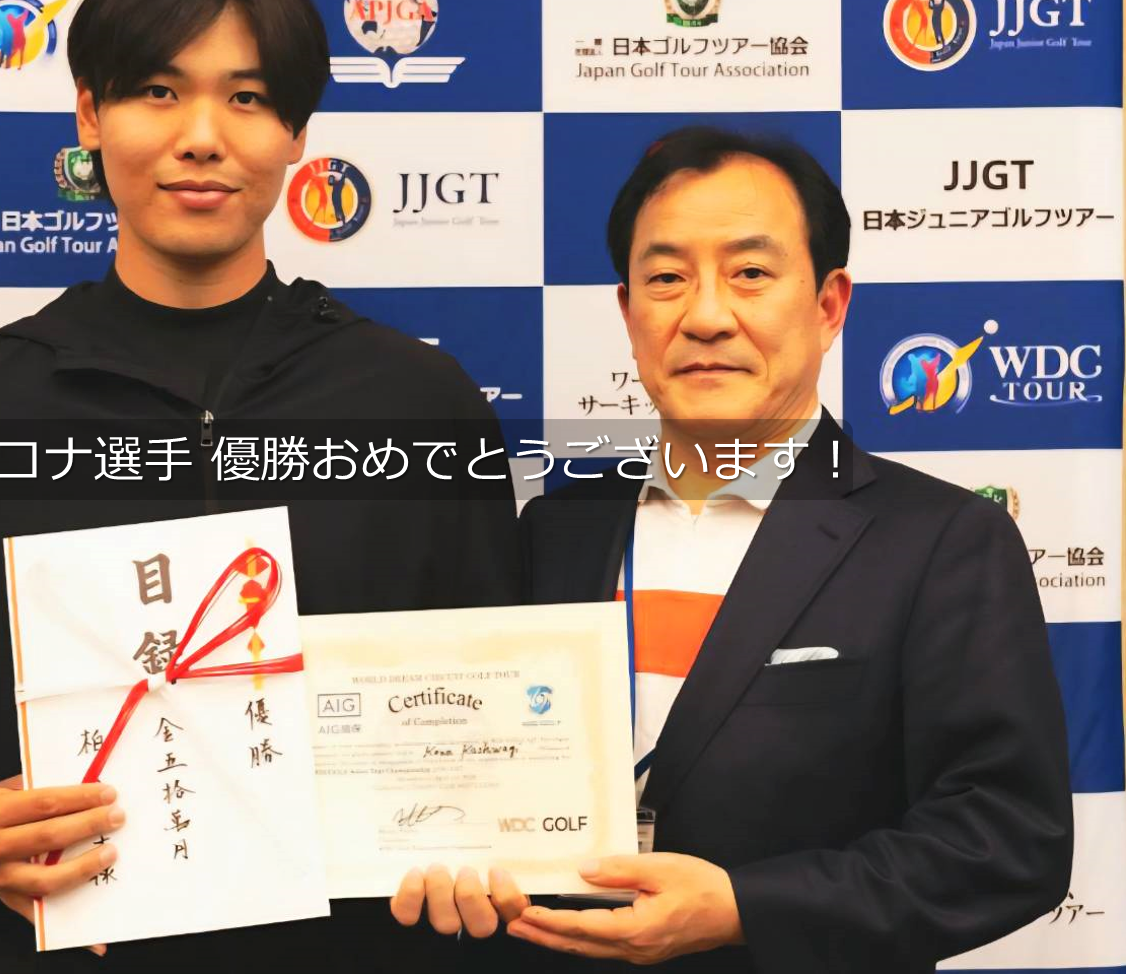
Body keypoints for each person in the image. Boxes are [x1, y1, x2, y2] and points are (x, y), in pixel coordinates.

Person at [0, 0, 520, 973]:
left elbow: (494, 690)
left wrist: (483, 831)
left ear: (297, 131)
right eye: (158, 92)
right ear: (90, 113)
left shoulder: (418, 408)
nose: (201, 137)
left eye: (247, 97)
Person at [392, 127, 1072, 972]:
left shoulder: (941, 539)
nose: (707, 315)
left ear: (828, 305)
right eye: (667, 278)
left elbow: (1007, 837)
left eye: (750, 272)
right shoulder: (556, 530)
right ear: (628, 311)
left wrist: (745, 908)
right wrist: (452, 858)